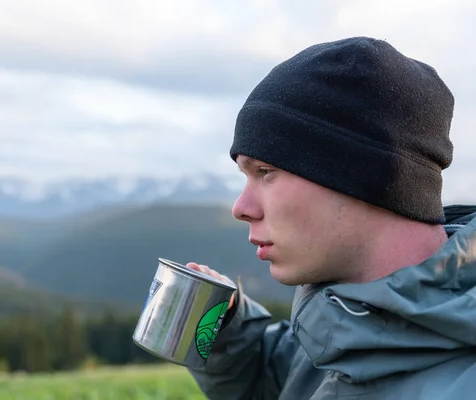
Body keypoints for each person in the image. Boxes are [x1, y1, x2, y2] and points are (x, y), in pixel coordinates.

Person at [184, 36, 476, 399]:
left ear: (363, 176)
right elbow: (288, 376)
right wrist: (227, 328)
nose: (241, 207)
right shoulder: (349, 321)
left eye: (265, 170)